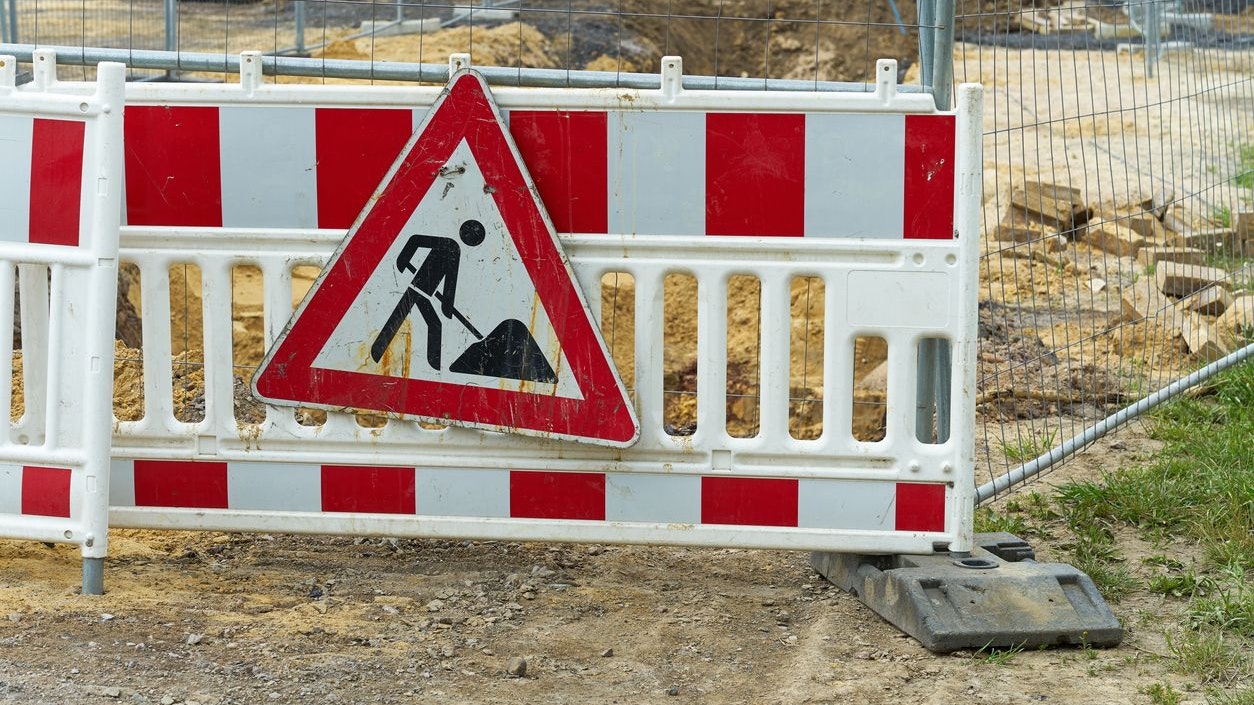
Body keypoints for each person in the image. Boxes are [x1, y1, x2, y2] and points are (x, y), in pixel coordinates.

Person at [370, 219, 486, 368]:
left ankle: (433, 365)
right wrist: (403, 259)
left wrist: (447, 306)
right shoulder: (451, 246)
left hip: (422, 293)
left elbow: (450, 282)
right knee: (409, 319)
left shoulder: (453, 247)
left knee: (416, 320)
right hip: (416, 289)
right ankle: (379, 351)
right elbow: (416, 240)